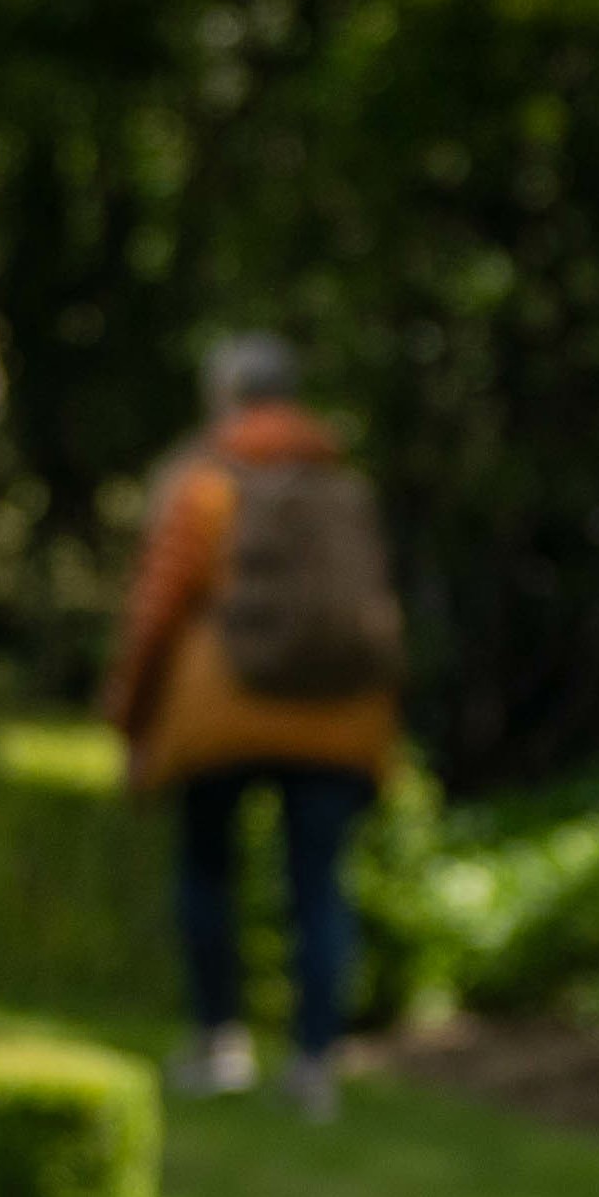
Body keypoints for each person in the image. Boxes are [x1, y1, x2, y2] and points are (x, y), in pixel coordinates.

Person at [101, 334, 400, 1120]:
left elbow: (157, 609)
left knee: (206, 872)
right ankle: (315, 1062)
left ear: (224, 396)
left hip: (222, 711)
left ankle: (220, 1041)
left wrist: (127, 717)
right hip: (337, 716)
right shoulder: (343, 485)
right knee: (318, 887)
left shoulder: (204, 483)